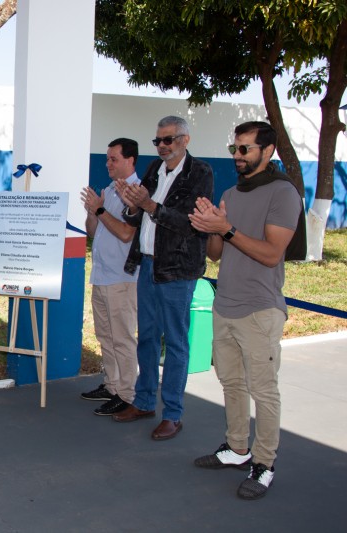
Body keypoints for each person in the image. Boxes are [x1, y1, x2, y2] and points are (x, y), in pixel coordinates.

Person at [189, 121, 301, 500]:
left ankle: (265, 463)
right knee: (231, 383)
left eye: (245, 149)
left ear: (267, 151)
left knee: (263, 391)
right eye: (234, 148)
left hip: (260, 309)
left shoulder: (283, 194)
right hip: (226, 306)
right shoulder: (231, 193)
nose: (236, 156)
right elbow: (217, 254)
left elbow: (271, 254)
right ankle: (237, 449)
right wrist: (212, 228)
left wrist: (228, 227)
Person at [112, 116, 213, 441]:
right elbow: (141, 214)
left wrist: (149, 205)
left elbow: (191, 223)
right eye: (158, 141)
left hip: (177, 271)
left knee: (176, 343)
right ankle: (143, 402)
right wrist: (131, 207)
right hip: (147, 267)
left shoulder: (200, 173)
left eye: (168, 140)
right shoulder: (155, 169)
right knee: (147, 338)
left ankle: (173, 414)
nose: (162, 146)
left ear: (185, 139)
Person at [79, 138, 139, 416]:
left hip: (122, 279)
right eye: (107, 159)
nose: (108, 164)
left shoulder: (136, 193)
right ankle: (112, 385)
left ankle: (126, 394)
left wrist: (101, 210)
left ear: (130, 161)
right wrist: (93, 212)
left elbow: (127, 233)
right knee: (105, 335)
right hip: (101, 276)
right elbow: (93, 231)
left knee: (122, 338)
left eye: (113, 159)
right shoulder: (108, 191)